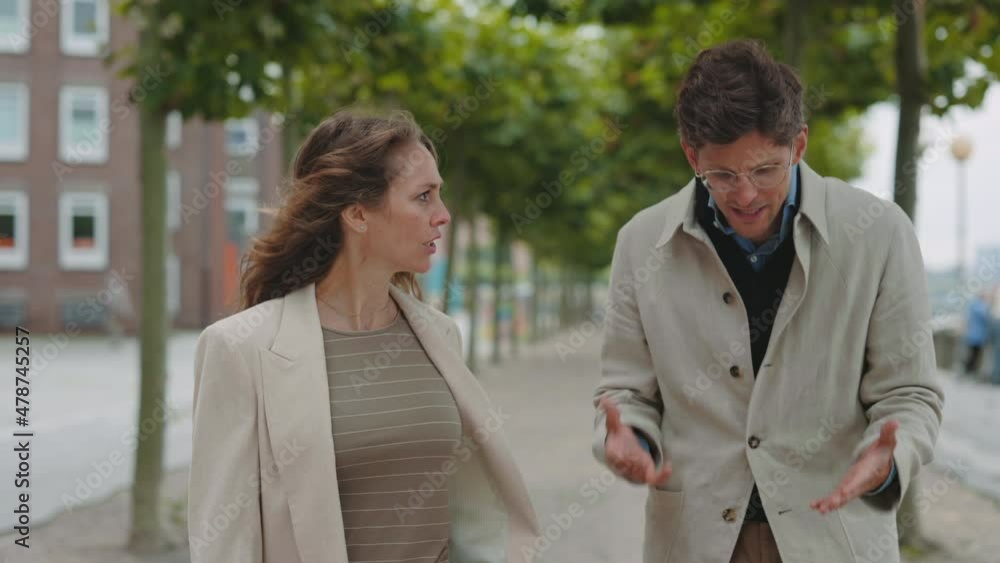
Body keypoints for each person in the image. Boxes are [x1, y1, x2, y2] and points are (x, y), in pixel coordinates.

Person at [591, 40, 944, 563]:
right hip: (694, 542)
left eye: (765, 170)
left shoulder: (880, 233)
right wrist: (628, 440)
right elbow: (626, 393)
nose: (746, 195)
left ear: (799, 145)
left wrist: (891, 458)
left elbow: (910, 392)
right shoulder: (640, 244)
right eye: (722, 175)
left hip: (834, 540)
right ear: (691, 155)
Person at [188, 110, 539, 563]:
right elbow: (223, 543)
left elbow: (466, 510)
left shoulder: (441, 336)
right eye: (424, 197)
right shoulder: (240, 348)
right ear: (357, 214)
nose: (443, 215)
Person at [962, 290, 992, 378]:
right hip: (978, 336)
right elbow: (986, 317)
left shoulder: (973, 305)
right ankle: (970, 371)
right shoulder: (981, 307)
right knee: (975, 355)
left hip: (972, 334)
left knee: (971, 354)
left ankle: (967, 371)